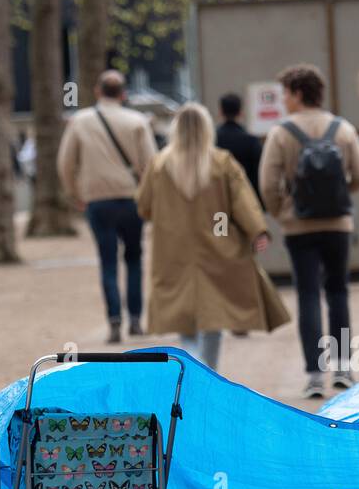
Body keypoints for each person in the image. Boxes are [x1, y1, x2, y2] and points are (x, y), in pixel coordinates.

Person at [135, 102, 289, 370]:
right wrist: (257, 230)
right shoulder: (221, 163)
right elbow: (243, 202)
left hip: (173, 249)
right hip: (218, 248)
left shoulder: (159, 166)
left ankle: (194, 365)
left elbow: (143, 206)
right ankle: (208, 370)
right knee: (214, 315)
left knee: (182, 314)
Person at [259, 63, 359, 399]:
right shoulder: (343, 129)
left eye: (285, 95)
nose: (283, 102)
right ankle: (342, 368)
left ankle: (313, 376)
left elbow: (267, 183)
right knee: (338, 292)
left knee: (308, 295)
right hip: (338, 225)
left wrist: (284, 212)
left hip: (299, 228)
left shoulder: (281, 133)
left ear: (297, 93)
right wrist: (339, 198)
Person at [57, 70, 157, 343]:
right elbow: (151, 164)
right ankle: (136, 318)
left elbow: (65, 163)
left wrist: (75, 193)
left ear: (98, 91)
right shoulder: (137, 121)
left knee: (108, 261)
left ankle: (114, 320)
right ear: (124, 94)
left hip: (97, 201)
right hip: (131, 198)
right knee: (134, 257)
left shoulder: (80, 121)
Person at [215, 93, 262, 202]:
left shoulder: (212, 140)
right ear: (241, 113)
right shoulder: (251, 141)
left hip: (219, 201)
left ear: (220, 112)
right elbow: (258, 175)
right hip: (246, 199)